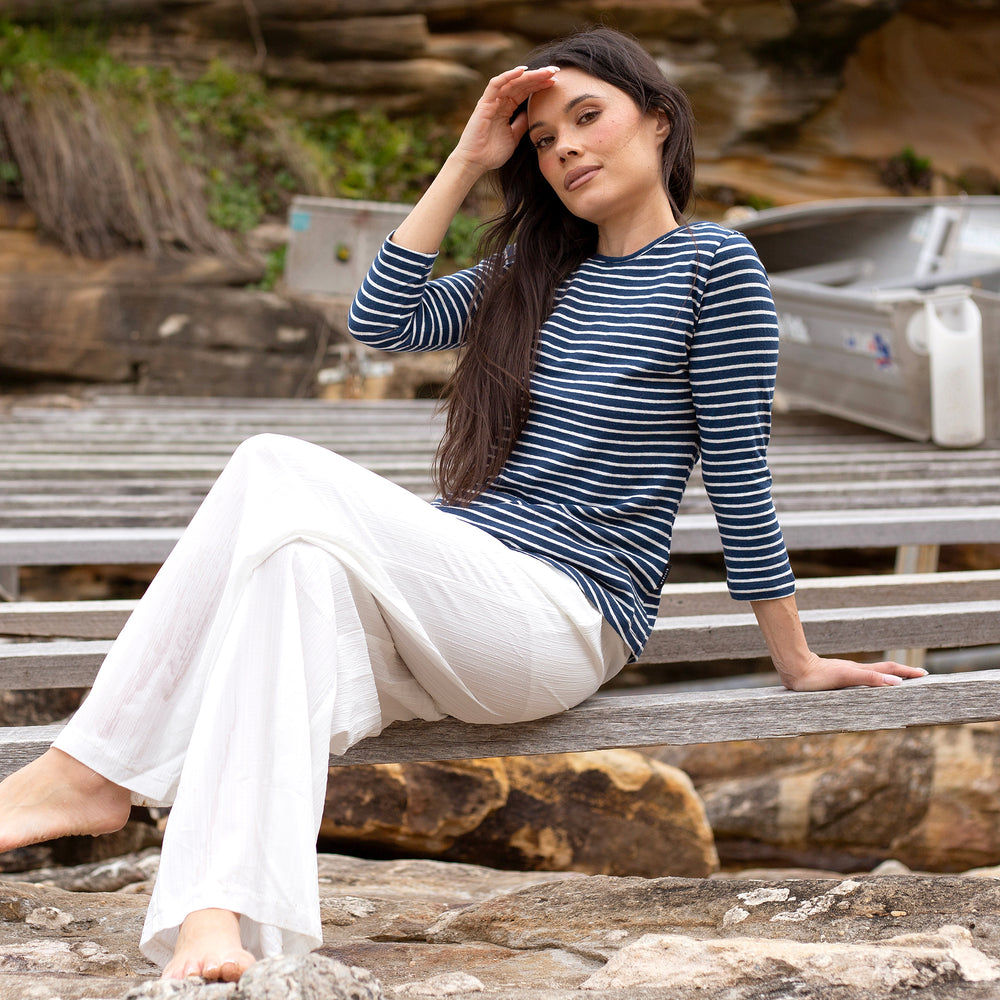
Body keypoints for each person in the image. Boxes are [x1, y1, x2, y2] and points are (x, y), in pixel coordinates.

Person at [0, 26, 926, 983]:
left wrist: (797, 657)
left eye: (588, 117)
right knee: (290, 572)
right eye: (542, 138)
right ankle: (211, 915)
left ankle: (84, 775)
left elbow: (739, 473)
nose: (563, 147)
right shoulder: (534, 276)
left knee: (274, 464)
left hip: (562, 617)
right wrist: (468, 155)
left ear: (658, 120)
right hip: (461, 598)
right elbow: (380, 323)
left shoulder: (715, 267)